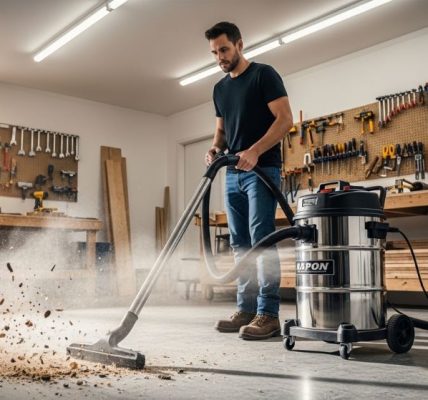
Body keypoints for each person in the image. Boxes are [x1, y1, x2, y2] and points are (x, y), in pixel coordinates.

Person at [204, 21, 293, 340]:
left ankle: (268, 315)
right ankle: (245, 308)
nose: (220, 57)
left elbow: (285, 120)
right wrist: (215, 148)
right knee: (240, 243)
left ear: (240, 45)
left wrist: (254, 151)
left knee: (262, 240)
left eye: (224, 49)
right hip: (233, 174)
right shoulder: (220, 89)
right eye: (214, 52)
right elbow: (222, 132)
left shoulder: (263, 75)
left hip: (263, 171)